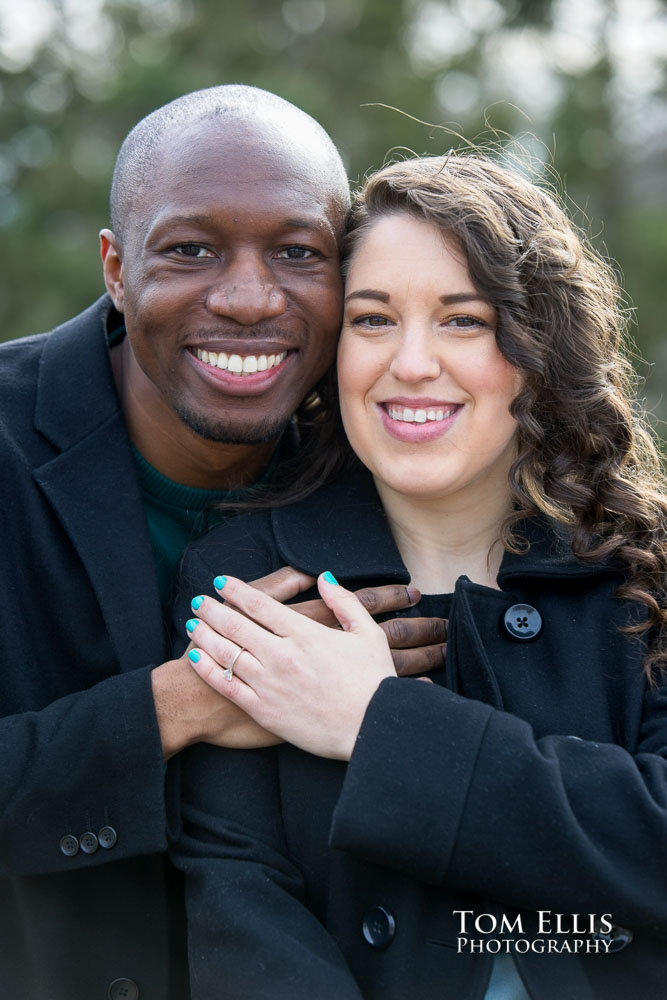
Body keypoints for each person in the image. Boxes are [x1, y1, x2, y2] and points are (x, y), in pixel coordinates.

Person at [171, 152, 667, 999]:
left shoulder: (642, 571)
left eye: (461, 320)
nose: (408, 363)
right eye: (371, 320)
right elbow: (238, 904)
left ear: (536, 345)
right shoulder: (246, 580)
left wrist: (378, 725)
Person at [0, 86, 444, 1000]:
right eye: (190, 249)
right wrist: (183, 705)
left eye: (296, 253)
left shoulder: (399, 467)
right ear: (116, 268)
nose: (248, 299)